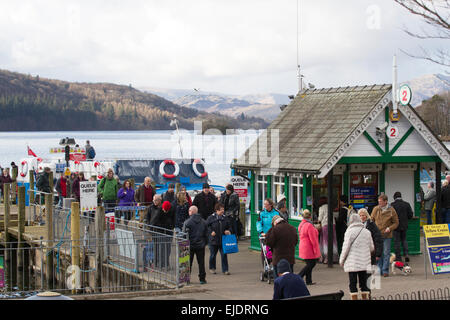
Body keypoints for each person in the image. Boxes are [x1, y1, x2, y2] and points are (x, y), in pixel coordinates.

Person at [339, 214, 374, 300]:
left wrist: (341, 260)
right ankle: (364, 298)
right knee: (363, 283)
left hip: (353, 262)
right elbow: (372, 247)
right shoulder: (367, 232)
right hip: (364, 262)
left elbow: (345, 248)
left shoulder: (349, 232)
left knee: (353, 283)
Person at [371, 194, 399, 277]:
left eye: (380, 201)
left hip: (387, 235)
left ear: (386, 201)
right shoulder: (376, 209)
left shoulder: (391, 210)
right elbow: (372, 219)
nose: (379, 203)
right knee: (379, 253)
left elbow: (396, 223)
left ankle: (385, 270)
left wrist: (389, 228)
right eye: (378, 201)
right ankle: (379, 270)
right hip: (377, 235)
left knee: (386, 253)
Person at [265, 215, 298, 280]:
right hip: (290, 257)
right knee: (290, 278)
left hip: (278, 257)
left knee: (278, 280)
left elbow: (269, 242)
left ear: (275, 223)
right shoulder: (292, 228)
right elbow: (295, 241)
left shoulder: (275, 230)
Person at [182, 205, 208, 284]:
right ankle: (202, 279)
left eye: (189, 210)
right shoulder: (203, 221)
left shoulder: (187, 222)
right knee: (201, 263)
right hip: (201, 245)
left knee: (188, 263)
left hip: (190, 245)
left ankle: (186, 279)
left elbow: (184, 235)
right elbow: (206, 234)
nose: (188, 212)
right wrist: (204, 243)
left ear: (192, 212)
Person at [206, 203, 232, 275]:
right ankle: (212, 268)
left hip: (223, 239)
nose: (223, 211)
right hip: (213, 240)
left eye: (223, 209)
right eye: (221, 210)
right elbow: (206, 227)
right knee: (213, 255)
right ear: (217, 210)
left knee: (224, 255)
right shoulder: (211, 218)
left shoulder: (225, 218)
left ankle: (225, 270)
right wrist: (211, 232)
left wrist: (228, 230)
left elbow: (230, 227)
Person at [150, 200, 175, 269]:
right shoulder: (159, 211)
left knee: (167, 249)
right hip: (159, 232)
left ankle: (166, 263)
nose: (165, 211)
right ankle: (158, 263)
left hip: (168, 232)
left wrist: (171, 226)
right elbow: (153, 222)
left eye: (166, 211)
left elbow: (174, 220)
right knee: (159, 249)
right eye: (164, 210)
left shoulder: (172, 210)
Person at [297, 209, 321, 285]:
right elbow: (313, 239)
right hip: (308, 247)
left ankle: (309, 280)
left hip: (303, 246)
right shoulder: (309, 225)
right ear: (310, 217)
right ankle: (299, 276)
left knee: (309, 263)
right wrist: (315, 250)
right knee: (311, 264)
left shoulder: (301, 224)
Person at [390, 191, 414, 263]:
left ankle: (398, 257)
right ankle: (406, 254)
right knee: (404, 240)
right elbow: (410, 215)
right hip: (404, 225)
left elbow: (389, 216)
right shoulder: (406, 204)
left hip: (395, 226)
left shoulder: (392, 205)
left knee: (396, 241)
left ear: (394, 197)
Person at [317, 197, 338, 264]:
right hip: (333, 224)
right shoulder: (330, 207)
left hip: (325, 225)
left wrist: (318, 222)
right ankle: (334, 257)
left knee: (325, 241)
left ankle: (326, 258)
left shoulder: (321, 208)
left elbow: (320, 218)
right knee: (333, 240)